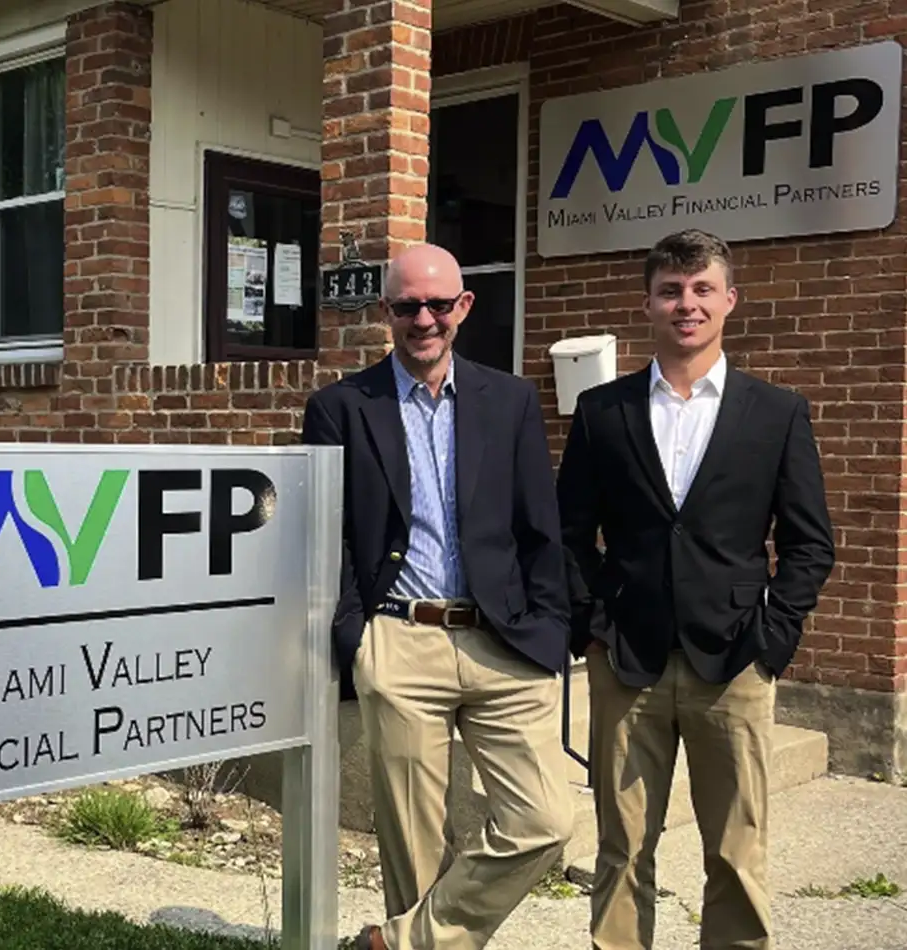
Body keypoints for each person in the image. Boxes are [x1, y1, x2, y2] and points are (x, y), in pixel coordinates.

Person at [557, 228, 835, 950]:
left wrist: (774, 639)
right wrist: (590, 624)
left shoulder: (776, 414)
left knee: (736, 853)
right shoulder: (602, 412)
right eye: (672, 291)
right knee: (622, 852)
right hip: (626, 662)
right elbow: (567, 535)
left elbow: (810, 544)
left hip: (736, 661)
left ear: (730, 301)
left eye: (702, 289)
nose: (688, 304)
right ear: (647, 303)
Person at [302, 243, 574, 950]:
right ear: (386, 312)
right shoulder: (340, 407)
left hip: (503, 640)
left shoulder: (509, 399)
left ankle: (398, 946)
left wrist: (550, 626)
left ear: (464, 307)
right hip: (399, 639)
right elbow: (325, 538)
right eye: (406, 306)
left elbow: (540, 525)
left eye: (438, 304)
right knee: (415, 854)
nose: (423, 319)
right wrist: (355, 638)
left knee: (544, 819)